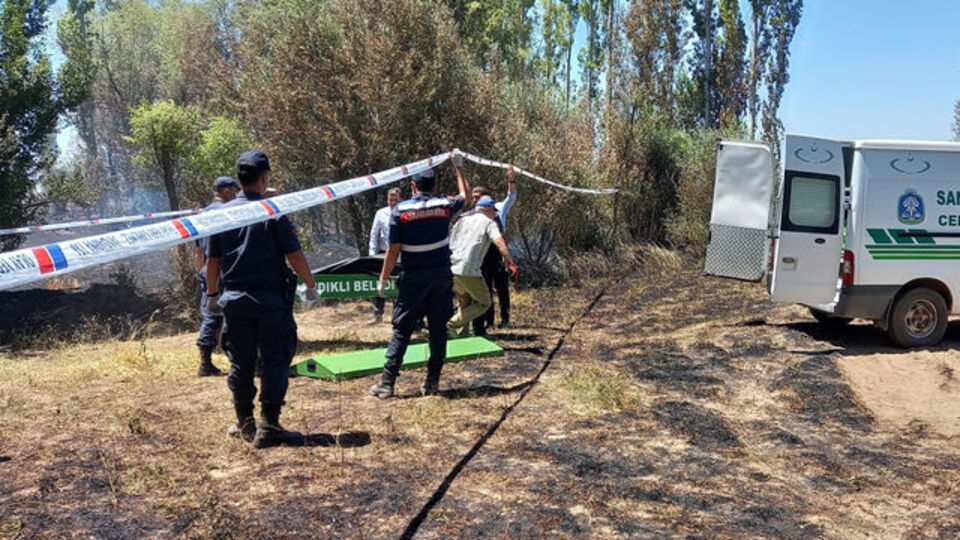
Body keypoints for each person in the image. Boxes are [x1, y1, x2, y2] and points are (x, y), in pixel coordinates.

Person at [205, 150, 322, 448]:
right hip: (270, 302)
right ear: (264, 177)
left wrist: (212, 295)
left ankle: (245, 423)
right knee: (276, 359)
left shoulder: (221, 215)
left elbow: (212, 260)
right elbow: (294, 254)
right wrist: (311, 286)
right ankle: (269, 426)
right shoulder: (272, 212)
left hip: (235, 302)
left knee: (241, 362)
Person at [368, 159, 469, 399]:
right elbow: (465, 196)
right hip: (440, 277)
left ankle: (387, 383)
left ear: (413, 186)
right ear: (434, 186)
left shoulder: (400, 211)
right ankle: (432, 382)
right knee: (438, 329)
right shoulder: (444, 204)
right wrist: (459, 168)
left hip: (413, 278)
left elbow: (393, 249)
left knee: (402, 329)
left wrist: (383, 279)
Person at [447, 195, 518, 338]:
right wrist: (511, 263)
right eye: (494, 211)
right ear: (488, 209)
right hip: (468, 269)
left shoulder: (462, 219)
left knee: (466, 301)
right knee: (484, 302)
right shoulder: (489, 223)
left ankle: (463, 334)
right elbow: (500, 243)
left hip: (451, 267)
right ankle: (450, 325)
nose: (495, 215)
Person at [194, 176, 241, 377]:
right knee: (231, 312)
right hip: (224, 268)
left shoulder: (202, 214)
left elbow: (197, 249)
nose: (237, 195)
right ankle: (237, 359)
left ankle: (206, 362)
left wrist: (202, 273)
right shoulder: (227, 213)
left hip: (207, 270)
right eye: (236, 191)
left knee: (210, 313)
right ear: (227, 191)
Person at [471, 168, 517, 334]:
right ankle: (488, 321)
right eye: (473, 197)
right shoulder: (473, 214)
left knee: (502, 288)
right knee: (486, 289)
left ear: (486, 197)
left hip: (498, 254)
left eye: (477, 197)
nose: (474, 200)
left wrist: (511, 180)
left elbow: (511, 197)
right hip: (483, 256)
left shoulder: (498, 208)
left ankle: (505, 319)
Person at [367, 187, 401, 324]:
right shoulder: (381, 213)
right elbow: (374, 234)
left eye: (395, 200)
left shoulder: (405, 212)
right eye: (390, 200)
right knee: (379, 281)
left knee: (398, 284)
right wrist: (372, 254)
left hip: (400, 255)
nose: (392, 202)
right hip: (382, 254)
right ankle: (377, 314)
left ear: (400, 199)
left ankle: (397, 317)